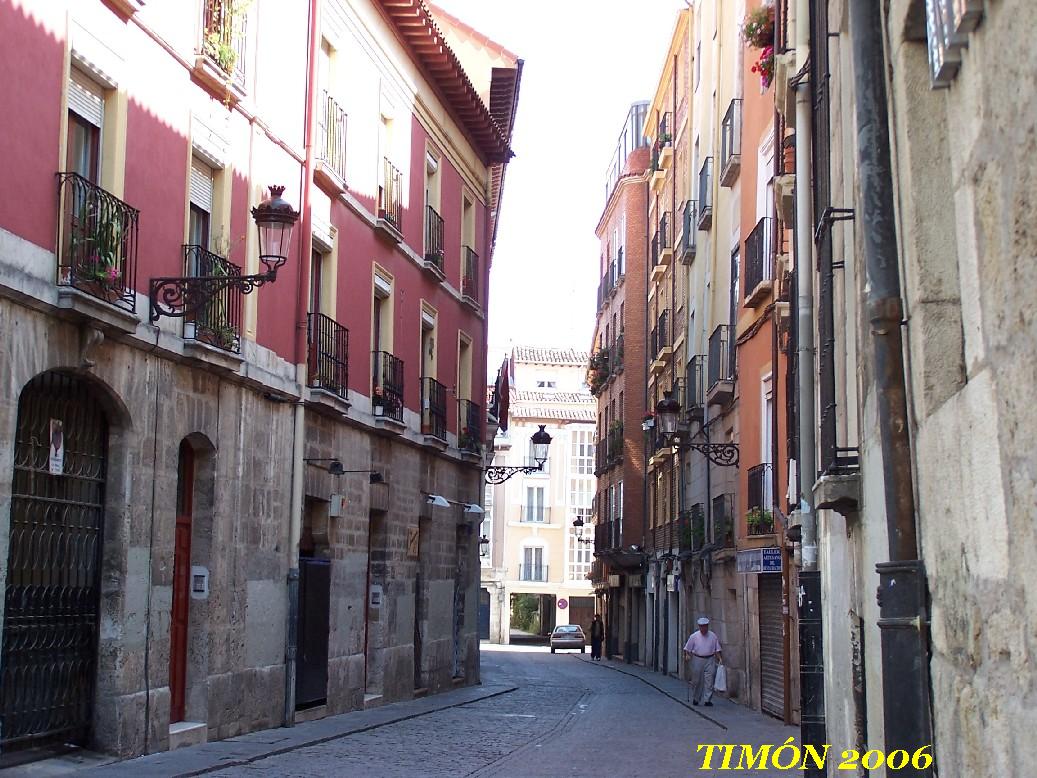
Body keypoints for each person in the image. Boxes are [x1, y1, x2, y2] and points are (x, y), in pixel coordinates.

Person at [683, 616, 723, 706]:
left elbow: (717, 649)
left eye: (705, 626)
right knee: (697, 680)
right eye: (701, 626)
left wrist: (719, 658)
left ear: (707, 626)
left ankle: (707, 700)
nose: (703, 628)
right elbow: (687, 648)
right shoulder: (694, 636)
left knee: (709, 680)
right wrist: (687, 655)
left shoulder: (713, 636)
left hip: (710, 659)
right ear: (699, 626)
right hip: (698, 659)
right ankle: (696, 698)